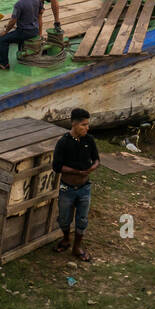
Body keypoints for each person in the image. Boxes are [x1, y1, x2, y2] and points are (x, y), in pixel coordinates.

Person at [52, 107, 100, 262]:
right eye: (83, 125)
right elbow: (57, 167)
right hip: (66, 188)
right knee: (64, 219)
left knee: (82, 219)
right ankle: (66, 239)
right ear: (73, 124)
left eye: (87, 125)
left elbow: (97, 159)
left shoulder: (89, 140)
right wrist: (76, 172)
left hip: (85, 188)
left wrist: (92, 168)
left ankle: (77, 247)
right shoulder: (63, 143)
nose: (87, 128)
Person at [0, 0, 39, 70]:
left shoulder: (18, 4)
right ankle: (21, 53)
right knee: (18, 35)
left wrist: (5, 31)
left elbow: (13, 21)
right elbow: (41, 12)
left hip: (24, 32)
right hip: (35, 30)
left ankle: (3, 64)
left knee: (3, 39)